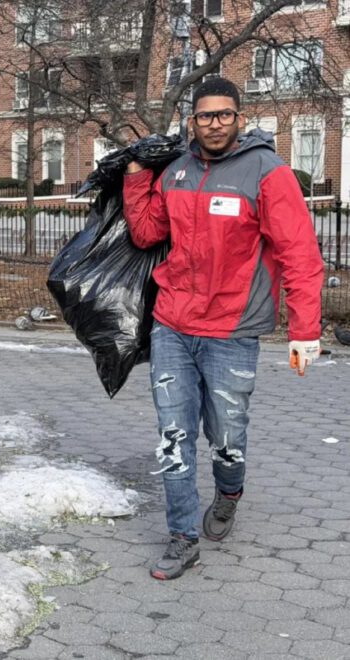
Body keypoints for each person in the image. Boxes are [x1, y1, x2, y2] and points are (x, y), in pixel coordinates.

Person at [122, 78, 323, 580]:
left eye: (225, 115)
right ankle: (182, 536)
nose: (215, 124)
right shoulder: (178, 171)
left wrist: (304, 331)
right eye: (206, 116)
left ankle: (229, 490)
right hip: (172, 324)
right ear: (193, 120)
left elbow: (300, 255)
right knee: (174, 434)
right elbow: (148, 232)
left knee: (227, 437)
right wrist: (134, 175)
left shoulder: (267, 173)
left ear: (239, 117)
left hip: (232, 332)